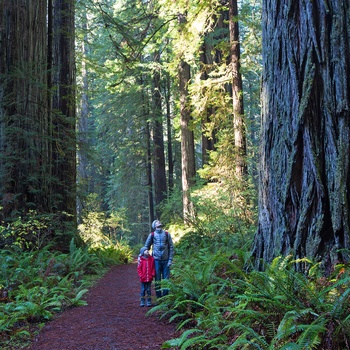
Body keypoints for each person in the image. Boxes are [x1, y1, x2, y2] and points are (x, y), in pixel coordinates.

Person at [144, 220, 174, 298]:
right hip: (156, 260)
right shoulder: (152, 235)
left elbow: (171, 247)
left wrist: (170, 259)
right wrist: (145, 254)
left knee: (166, 279)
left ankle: (165, 297)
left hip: (166, 260)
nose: (159, 228)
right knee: (157, 280)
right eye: (157, 226)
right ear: (154, 227)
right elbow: (146, 246)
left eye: (160, 226)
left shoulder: (167, 234)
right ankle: (159, 297)